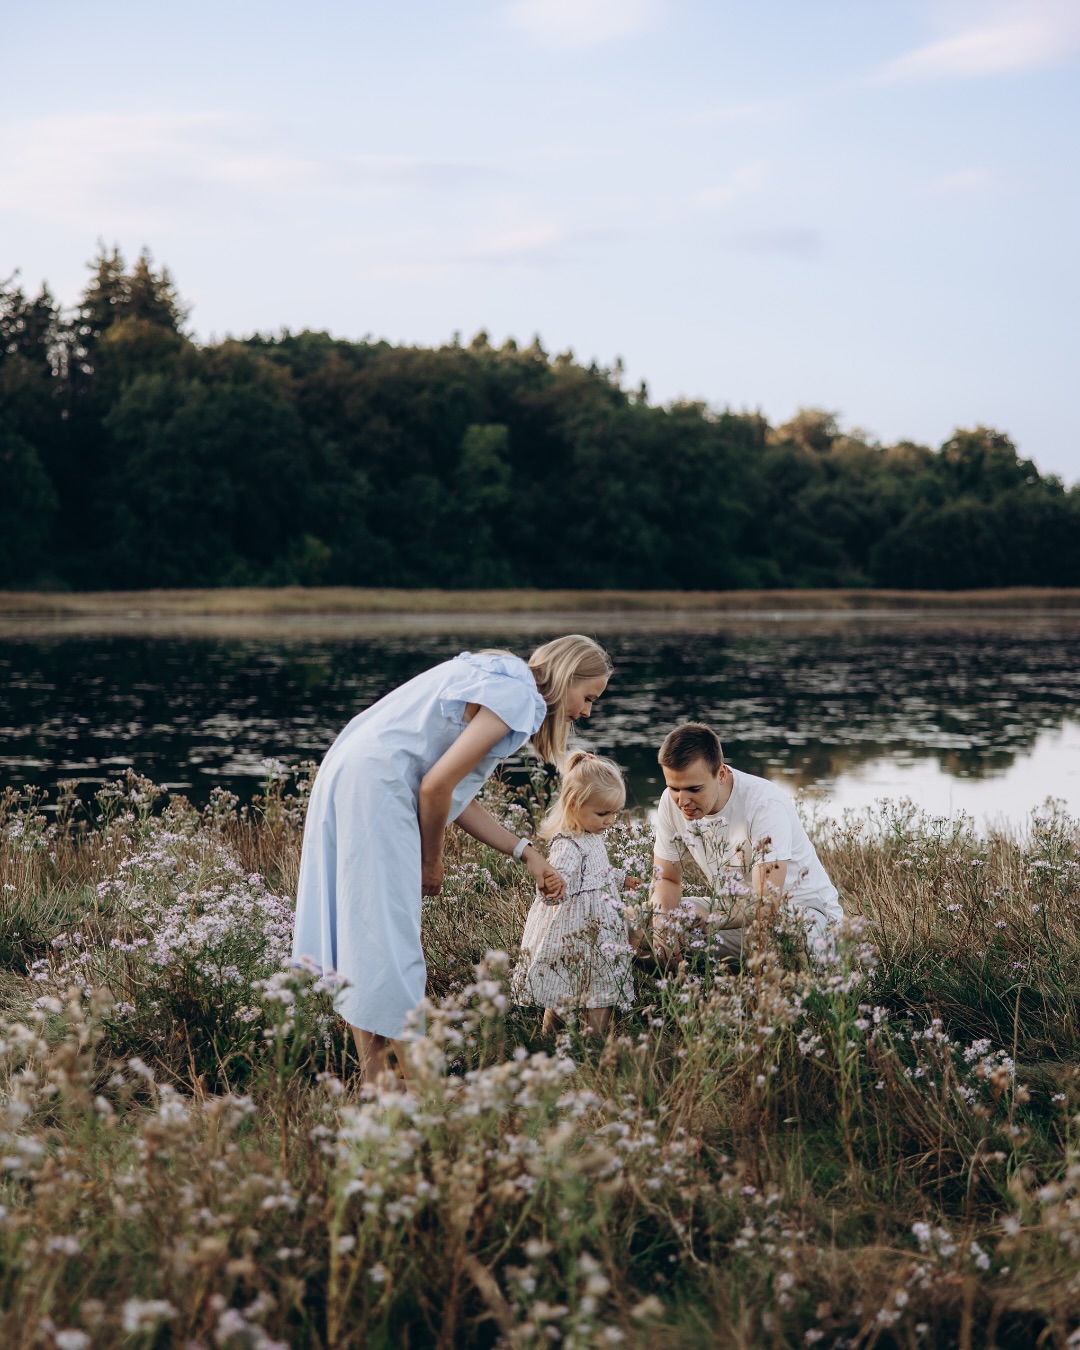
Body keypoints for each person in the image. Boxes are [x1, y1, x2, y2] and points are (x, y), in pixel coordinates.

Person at [292, 635, 613, 1084]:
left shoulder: (499, 673)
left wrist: (525, 852)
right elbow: (435, 788)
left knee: (369, 935)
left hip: (351, 769)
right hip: (377, 789)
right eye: (588, 697)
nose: (587, 712)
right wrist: (431, 861)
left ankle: (376, 1082)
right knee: (394, 942)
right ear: (567, 677)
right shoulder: (520, 696)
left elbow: (454, 794)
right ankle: (421, 1086)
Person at [650, 722, 842, 962]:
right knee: (635, 923)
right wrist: (662, 925)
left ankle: (776, 977)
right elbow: (667, 879)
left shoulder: (764, 804)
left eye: (694, 789)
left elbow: (766, 903)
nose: (682, 801)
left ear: (721, 774)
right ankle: (687, 980)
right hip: (732, 914)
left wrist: (714, 919)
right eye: (673, 788)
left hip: (802, 916)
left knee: (778, 940)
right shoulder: (670, 802)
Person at [512, 751, 642, 1038]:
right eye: (602, 814)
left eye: (614, 813)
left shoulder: (593, 836)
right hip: (574, 930)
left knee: (602, 986)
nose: (610, 821)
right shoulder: (567, 845)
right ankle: (549, 1037)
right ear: (573, 805)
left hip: (600, 930)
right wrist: (551, 891)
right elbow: (554, 881)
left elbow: (599, 872)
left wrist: (621, 879)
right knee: (564, 989)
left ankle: (593, 1042)